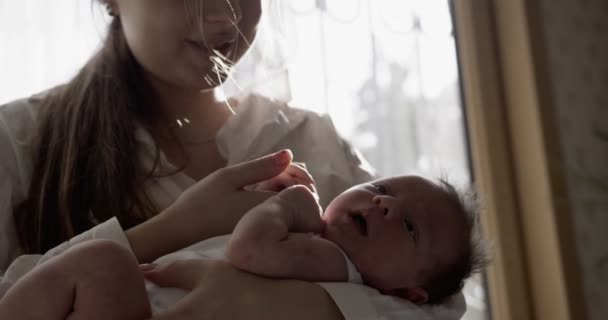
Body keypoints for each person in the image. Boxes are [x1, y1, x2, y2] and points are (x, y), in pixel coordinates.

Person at [0, 0, 468, 319]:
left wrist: (303, 307)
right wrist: (173, 229)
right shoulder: (17, 143)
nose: (227, 13)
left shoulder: (312, 140)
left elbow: (441, 302)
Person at [0, 173, 486, 319]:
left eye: (408, 229)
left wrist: (288, 207)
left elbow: (248, 252)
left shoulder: (334, 263)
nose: (384, 208)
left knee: (101, 262)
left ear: (411, 293)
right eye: (381, 190)